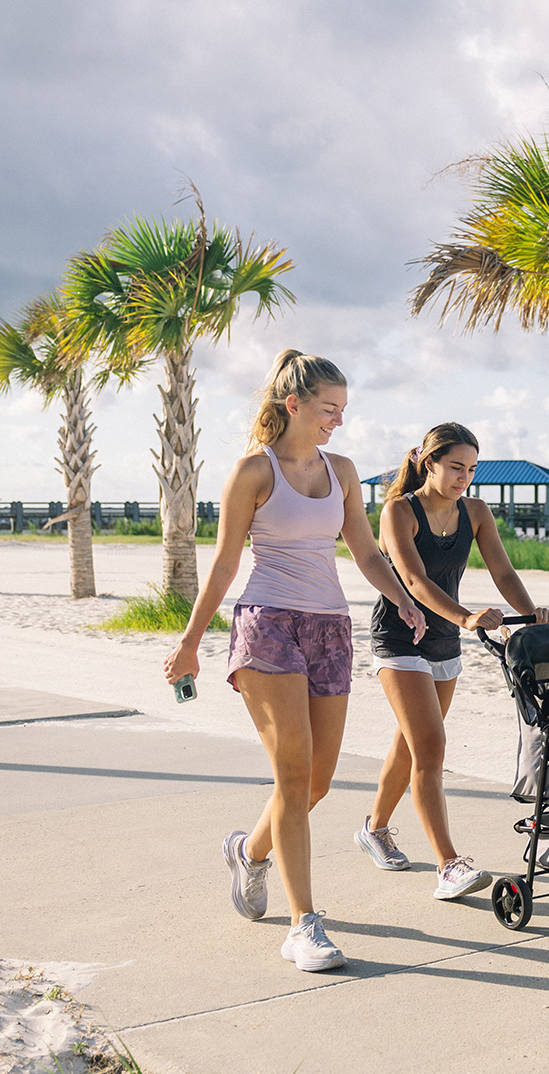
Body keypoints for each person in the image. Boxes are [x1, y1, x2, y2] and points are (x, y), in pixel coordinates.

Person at [162, 349, 426, 972]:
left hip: (330, 627)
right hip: (268, 626)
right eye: (328, 409)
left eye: (342, 410)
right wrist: (191, 641)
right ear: (294, 405)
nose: (337, 420)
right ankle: (304, 924)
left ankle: (249, 852)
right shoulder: (253, 472)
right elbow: (225, 562)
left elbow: (363, 552)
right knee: (292, 773)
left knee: (318, 780)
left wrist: (404, 600)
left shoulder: (342, 469)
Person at [354, 422, 549, 898]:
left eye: (471, 468)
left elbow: (502, 570)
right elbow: (415, 579)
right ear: (430, 463)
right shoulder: (398, 511)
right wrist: (467, 617)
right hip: (400, 638)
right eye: (455, 467)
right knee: (431, 747)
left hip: (445, 640)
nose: (464, 476)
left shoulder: (477, 511)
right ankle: (448, 865)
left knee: (411, 743)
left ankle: (375, 828)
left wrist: (531, 615)